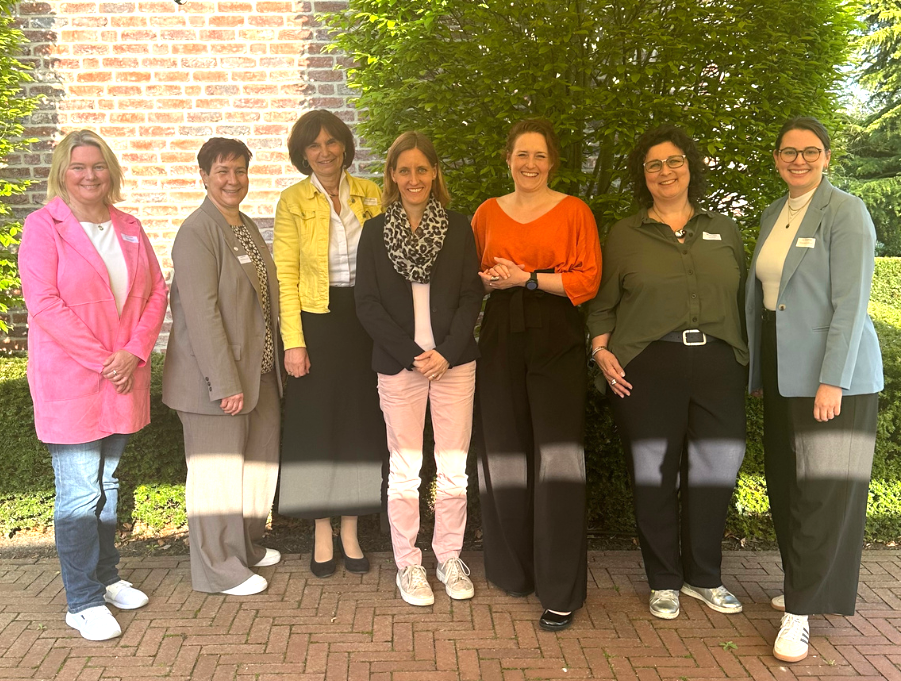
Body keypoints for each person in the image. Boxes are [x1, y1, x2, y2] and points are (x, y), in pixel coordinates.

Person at [585, 124, 748, 622]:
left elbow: (745, 299)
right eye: (654, 164)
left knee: (715, 472)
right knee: (653, 475)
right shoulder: (625, 234)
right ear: (644, 175)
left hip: (719, 365)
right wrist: (599, 350)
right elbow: (603, 303)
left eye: (674, 161)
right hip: (648, 366)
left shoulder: (724, 230)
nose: (665, 171)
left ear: (690, 167)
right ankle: (663, 580)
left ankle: (704, 577)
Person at [19, 130, 168, 640]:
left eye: (98, 165)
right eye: (78, 166)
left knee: (107, 483)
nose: (89, 175)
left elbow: (156, 293)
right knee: (79, 493)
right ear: (62, 172)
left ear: (112, 172)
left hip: (122, 374)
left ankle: (105, 578)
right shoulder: (43, 227)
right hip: (73, 378)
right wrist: (106, 360)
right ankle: (81, 601)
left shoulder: (129, 227)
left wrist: (134, 352)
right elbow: (44, 303)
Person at [746, 117, 883, 663]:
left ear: (826, 156)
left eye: (809, 151)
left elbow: (851, 304)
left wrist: (833, 381)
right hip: (785, 371)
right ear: (776, 158)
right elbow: (768, 299)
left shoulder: (846, 212)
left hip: (833, 376)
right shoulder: (772, 214)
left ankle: (801, 612)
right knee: (786, 483)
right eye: (788, 151)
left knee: (822, 492)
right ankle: (804, 582)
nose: (798, 160)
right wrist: (762, 372)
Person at [473, 119, 601, 631]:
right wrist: (492, 281)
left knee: (558, 457)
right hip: (501, 330)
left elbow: (588, 280)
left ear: (553, 162)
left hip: (555, 331)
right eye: (522, 154)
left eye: (540, 155)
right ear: (508, 158)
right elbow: (474, 281)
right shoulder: (486, 212)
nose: (530, 164)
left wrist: (526, 278)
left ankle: (560, 588)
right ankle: (514, 571)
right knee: (503, 451)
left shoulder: (574, 211)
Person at [355, 131, 482, 607]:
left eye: (422, 169)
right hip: (399, 365)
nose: (414, 178)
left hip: (453, 364)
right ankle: (408, 564)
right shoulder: (374, 232)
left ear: (434, 174)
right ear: (392, 174)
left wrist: (446, 352)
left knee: (453, 469)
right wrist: (412, 354)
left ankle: (449, 557)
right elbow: (367, 305)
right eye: (404, 170)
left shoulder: (458, 227)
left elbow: (471, 295)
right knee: (405, 470)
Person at [162, 138, 283, 596]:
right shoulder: (197, 232)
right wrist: (224, 381)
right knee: (218, 476)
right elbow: (201, 313)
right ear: (204, 176)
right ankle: (218, 569)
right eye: (222, 171)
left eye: (240, 170)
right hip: (216, 381)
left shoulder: (244, 224)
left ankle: (244, 548)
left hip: (260, 372)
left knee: (258, 467)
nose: (233, 180)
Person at [273, 110, 385, 578]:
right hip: (316, 321)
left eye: (331, 142)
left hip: (365, 319)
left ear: (344, 146)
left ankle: (352, 530)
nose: (324, 152)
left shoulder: (371, 193)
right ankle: (322, 531)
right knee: (315, 427)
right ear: (303, 153)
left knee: (360, 423)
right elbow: (285, 275)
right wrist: (293, 342)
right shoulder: (292, 200)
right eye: (314, 145)